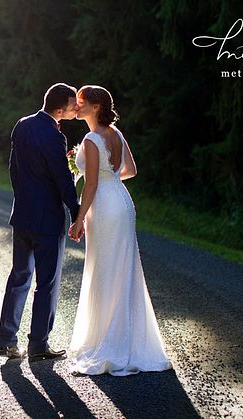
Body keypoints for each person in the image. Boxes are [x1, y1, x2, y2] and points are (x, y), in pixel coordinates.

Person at [68, 85, 172, 375]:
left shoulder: (91, 139)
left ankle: (111, 343)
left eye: (81, 102)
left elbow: (90, 185)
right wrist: (106, 175)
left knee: (105, 270)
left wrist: (78, 219)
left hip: (104, 206)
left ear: (96, 106)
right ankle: (127, 341)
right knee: (122, 269)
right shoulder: (116, 134)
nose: (76, 106)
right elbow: (130, 171)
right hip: (122, 201)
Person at [0, 83, 82, 361]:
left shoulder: (22, 125)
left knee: (19, 277)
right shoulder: (55, 136)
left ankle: (7, 341)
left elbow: (13, 168)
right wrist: (76, 210)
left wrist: (22, 196)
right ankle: (38, 345)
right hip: (48, 220)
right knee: (47, 282)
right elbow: (62, 178)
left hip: (22, 215)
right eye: (72, 106)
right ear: (59, 109)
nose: (75, 110)